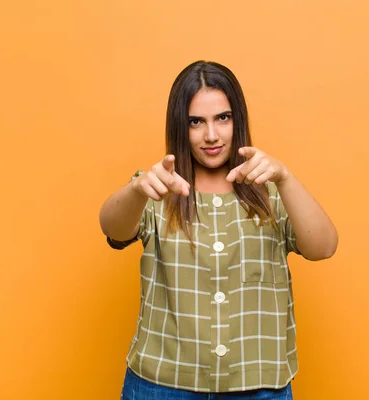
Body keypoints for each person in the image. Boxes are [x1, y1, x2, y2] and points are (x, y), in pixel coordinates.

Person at [99, 61, 338, 399]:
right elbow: (112, 229)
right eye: (196, 122)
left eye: (222, 118)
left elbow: (323, 247)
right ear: (181, 127)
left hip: (258, 387)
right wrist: (137, 189)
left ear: (237, 119)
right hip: (162, 386)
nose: (211, 135)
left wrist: (284, 177)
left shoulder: (270, 193)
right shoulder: (157, 188)